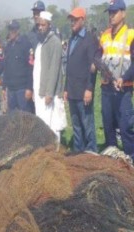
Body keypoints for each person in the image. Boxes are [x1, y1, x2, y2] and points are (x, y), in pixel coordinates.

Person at [97, 0, 134, 161]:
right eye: (110, 12)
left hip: (123, 89)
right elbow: (98, 55)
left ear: (123, 13)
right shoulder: (104, 35)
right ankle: (112, 162)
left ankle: (131, 160)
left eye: (115, 12)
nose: (111, 16)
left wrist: (123, 78)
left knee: (125, 128)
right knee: (108, 127)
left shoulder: (131, 35)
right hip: (106, 89)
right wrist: (98, 63)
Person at [64, 7, 98, 153]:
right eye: (71, 20)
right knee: (76, 125)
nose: (72, 22)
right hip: (72, 90)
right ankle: (79, 153)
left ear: (82, 20)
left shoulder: (90, 40)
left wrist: (89, 89)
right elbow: (69, 66)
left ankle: (91, 154)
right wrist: (66, 88)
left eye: (75, 19)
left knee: (87, 125)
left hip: (84, 91)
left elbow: (93, 67)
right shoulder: (72, 38)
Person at [33, 11, 66, 143]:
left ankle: (55, 153)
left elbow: (54, 69)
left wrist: (49, 93)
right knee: (42, 123)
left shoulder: (55, 42)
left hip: (49, 93)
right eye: (39, 25)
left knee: (53, 124)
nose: (40, 27)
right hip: (40, 90)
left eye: (43, 25)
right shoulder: (41, 42)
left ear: (49, 25)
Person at [1, 20, 34, 113]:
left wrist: (29, 88)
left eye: (13, 29)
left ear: (18, 30)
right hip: (11, 90)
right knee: (12, 119)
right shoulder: (8, 46)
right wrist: (4, 87)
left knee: (25, 119)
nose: (11, 32)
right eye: (10, 29)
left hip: (22, 89)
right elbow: (6, 68)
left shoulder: (25, 44)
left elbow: (30, 67)